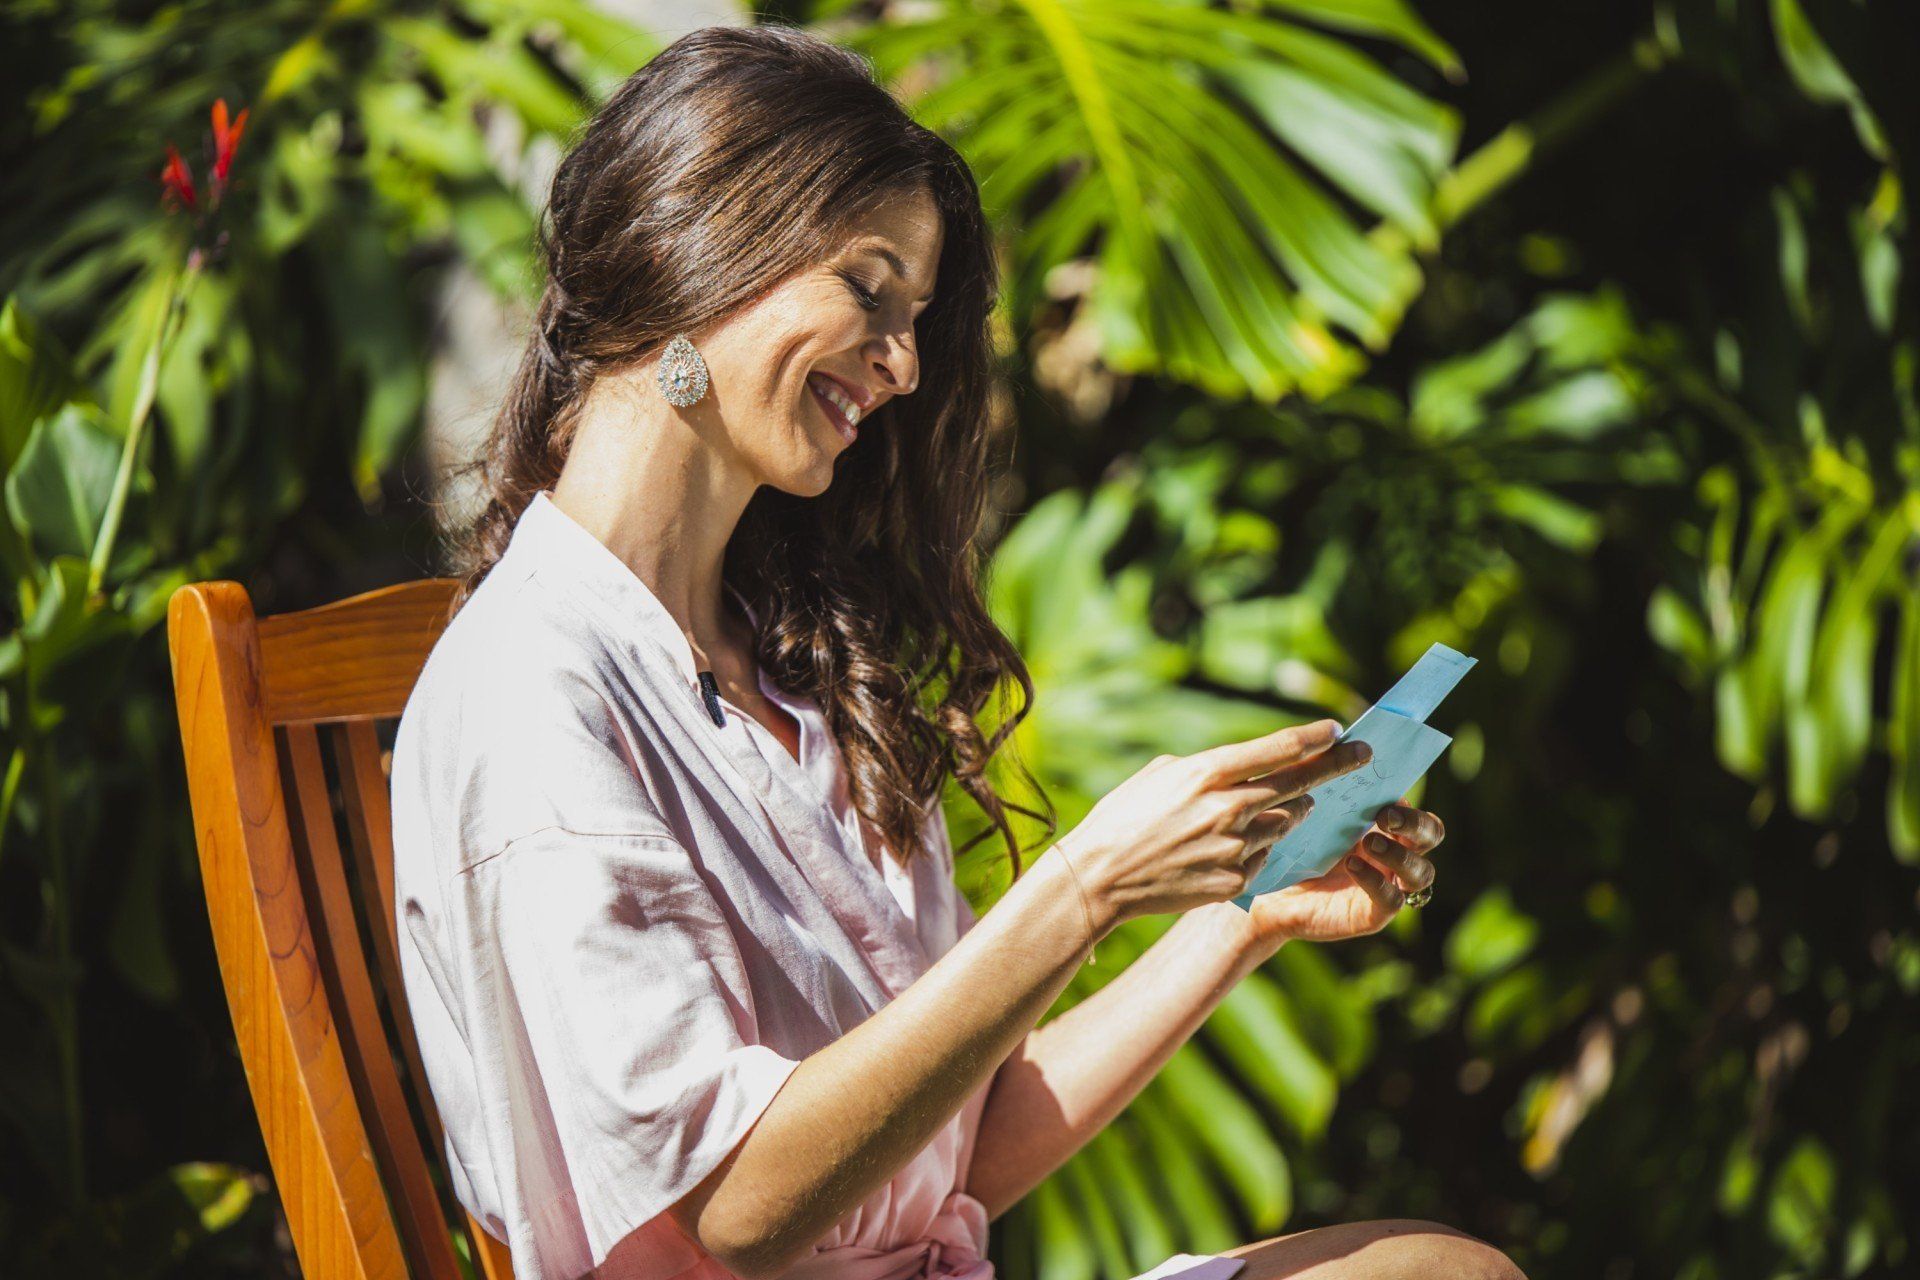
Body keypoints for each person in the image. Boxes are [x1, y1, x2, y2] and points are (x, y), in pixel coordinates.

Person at [390, 22, 1524, 1280]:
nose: (905, 362)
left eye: (917, 316)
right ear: (695, 247)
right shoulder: (533, 694)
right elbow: (742, 1205)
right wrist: (1083, 884)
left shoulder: (788, 676)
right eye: (869, 292)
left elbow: (948, 1152)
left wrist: (1238, 921)